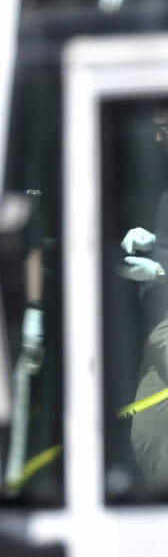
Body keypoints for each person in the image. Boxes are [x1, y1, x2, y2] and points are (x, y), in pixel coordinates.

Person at [120, 107, 168, 486]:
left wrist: (161, 268)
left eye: (163, 130)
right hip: (157, 323)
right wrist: (153, 246)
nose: (157, 139)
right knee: (147, 436)